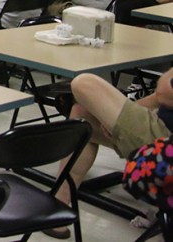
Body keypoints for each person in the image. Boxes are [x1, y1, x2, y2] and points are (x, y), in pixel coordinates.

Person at [49, 69, 173, 239]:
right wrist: (118, 117)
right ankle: (58, 209)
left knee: (84, 83)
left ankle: (56, 210)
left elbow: (164, 93)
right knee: (83, 117)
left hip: (167, 148)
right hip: (163, 130)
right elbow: (160, 98)